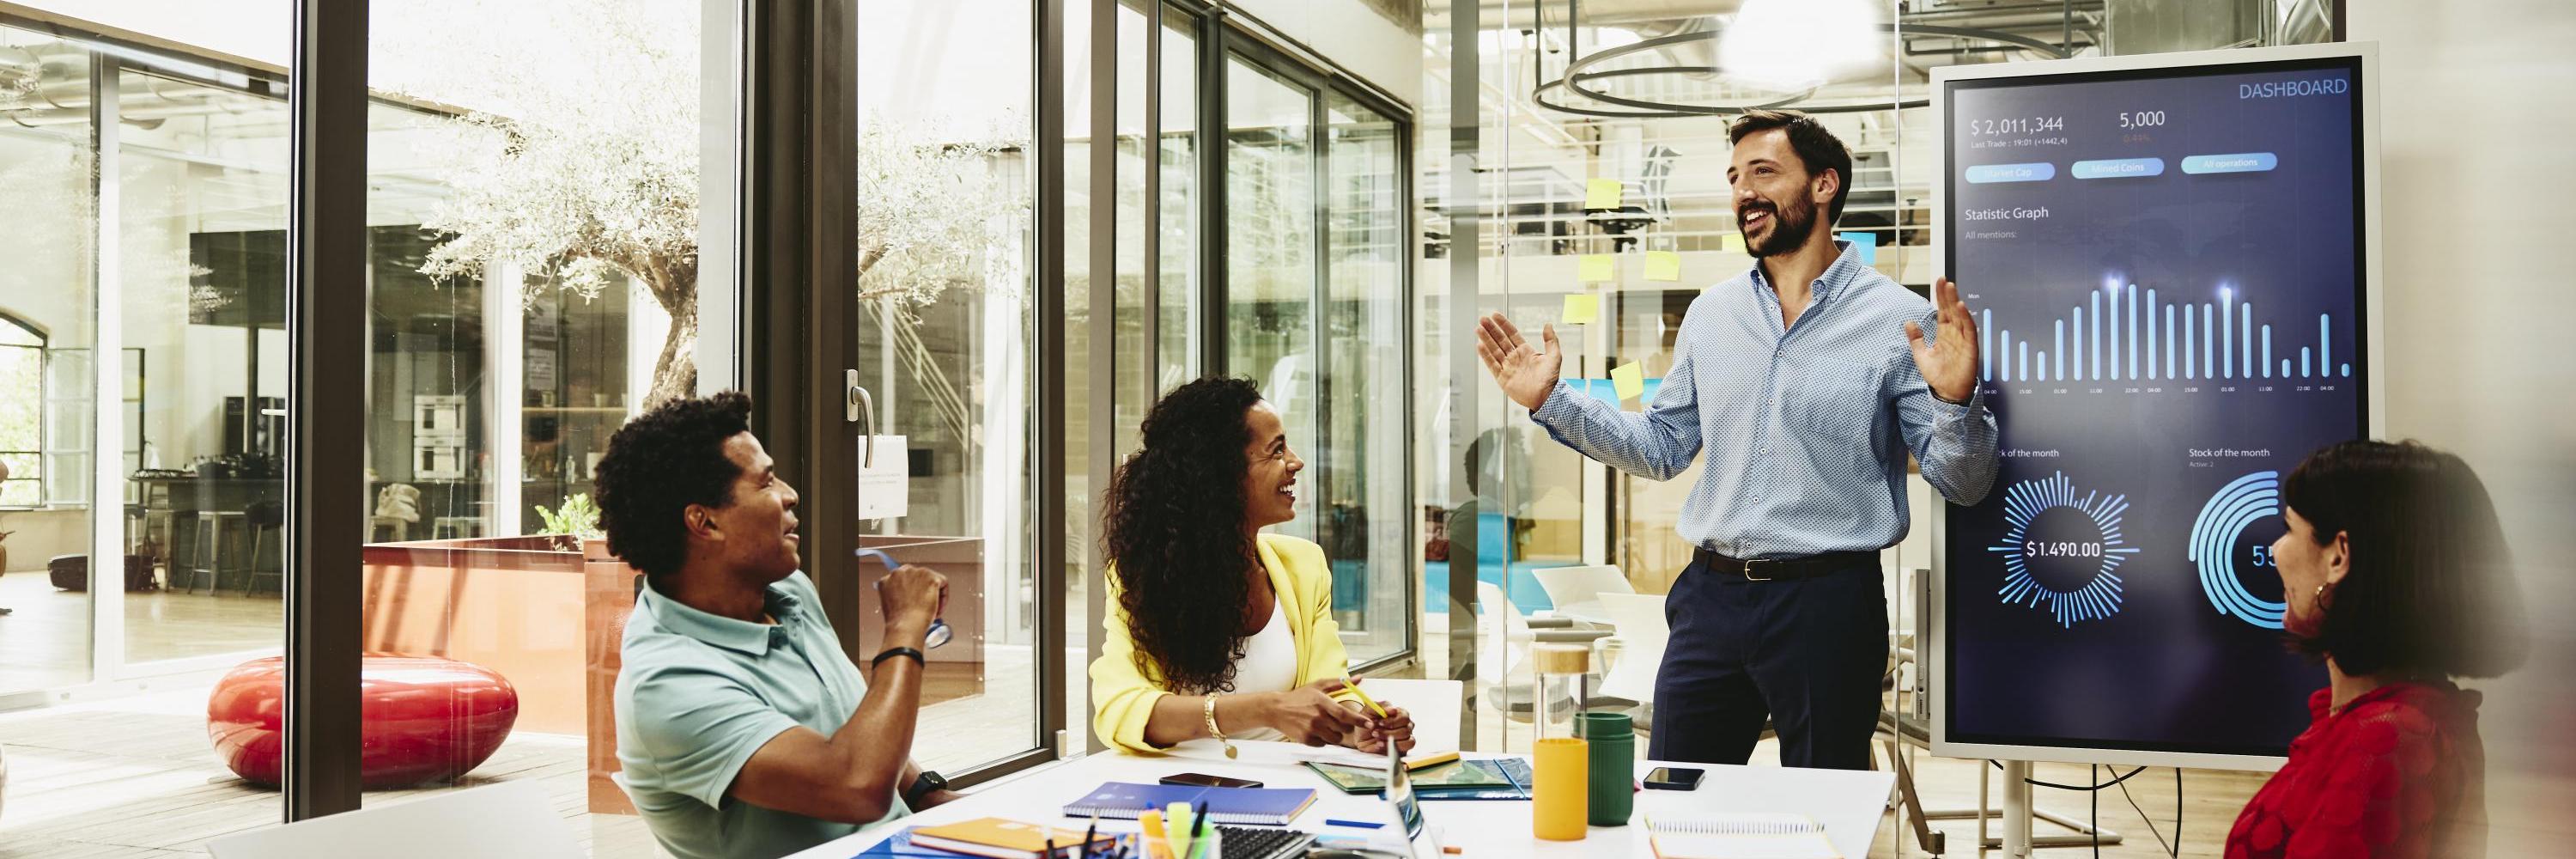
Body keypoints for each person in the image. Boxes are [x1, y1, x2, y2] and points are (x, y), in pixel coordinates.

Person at [1473, 109, 1998, 770]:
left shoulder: (1901, 320)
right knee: (1677, 802)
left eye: (1764, 172)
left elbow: (1968, 482)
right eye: (1733, 177)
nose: (1743, 193)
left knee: (1821, 817)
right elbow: (1663, 446)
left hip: (1829, 603)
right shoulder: (1711, 314)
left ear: (1824, 185)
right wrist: (1552, 401)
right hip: (1710, 601)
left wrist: (1955, 401)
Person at [597, 392, 962, 859]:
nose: (790, 493)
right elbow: (856, 786)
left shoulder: (787, 591)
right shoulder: (667, 686)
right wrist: (907, 627)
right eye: (766, 482)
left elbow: (854, 722)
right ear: (704, 522)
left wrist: (927, 796)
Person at [2226, 440, 2529, 859]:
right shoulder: (2403, 724)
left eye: (2288, 529)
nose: (2275, 551)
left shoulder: (2388, 741)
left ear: (2339, 556)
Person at [1090, 376, 1417, 755]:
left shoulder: (1304, 566)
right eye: (1276, 451)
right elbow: (1120, 709)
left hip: (1290, 790)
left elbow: (1330, 687)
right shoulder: (1138, 574)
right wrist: (1267, 709)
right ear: (1220, 475)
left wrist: (1357, 727)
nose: (1296, 461)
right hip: (1178, 794)